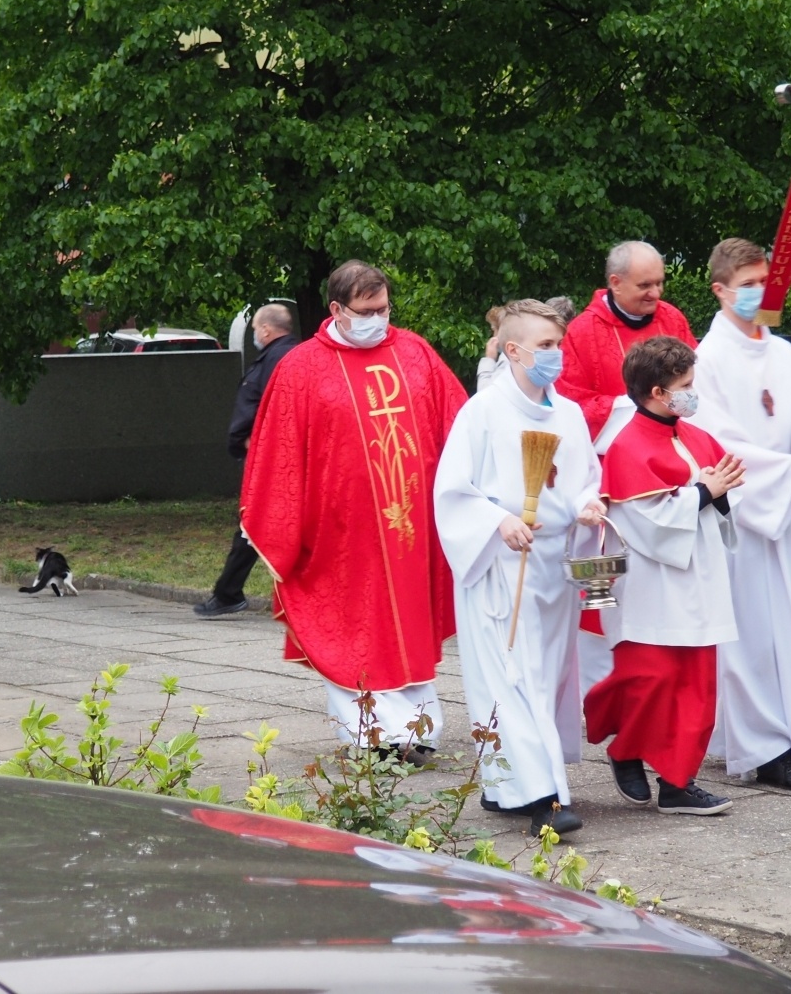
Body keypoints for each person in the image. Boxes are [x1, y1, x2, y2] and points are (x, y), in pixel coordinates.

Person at [241, 261, 470, 758]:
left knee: (406, 631)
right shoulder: (300, 367)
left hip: (410, 529)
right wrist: (284, 528)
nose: (378, 319)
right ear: (336, 310)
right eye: (366, 311)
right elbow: (279, 452)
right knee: (354, 635)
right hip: (341, 536)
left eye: (383, 309)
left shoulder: (416, 353)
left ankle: (417, 733)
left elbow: (458, 424)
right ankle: (371, 738)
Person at [434, 300, 605, 838]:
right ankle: (543, 797)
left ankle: (503, 782)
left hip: (553, 564)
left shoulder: (569, 415)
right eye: (546, 347)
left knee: (548, 678)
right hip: (502, 565)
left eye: (559, 346)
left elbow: (584, 479)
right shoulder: (482, 412)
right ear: (513, 350)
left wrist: (589, 504)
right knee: (513, 679)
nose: (556, 356)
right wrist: (497, 519)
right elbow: (451, 491)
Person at [689, 239, 791, 791]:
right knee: (752, 633)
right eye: (746, 283)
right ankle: (767, 750)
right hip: (745, 514)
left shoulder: (781, 354)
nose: (756, 292)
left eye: (763, 282)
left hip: (790, 509)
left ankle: (766, 731)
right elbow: (718, 442)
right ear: (721, 289)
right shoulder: (707, 360)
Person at [585, 336, 743, 817]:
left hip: (701, 577)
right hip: (653, 584)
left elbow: (719, 493)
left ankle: (678, 783)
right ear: (658, 392)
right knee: (647, 678)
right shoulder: (628, 446)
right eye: (686, 386)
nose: (693, 394)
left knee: (696, 686)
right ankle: (625, 748)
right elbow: (647, 523)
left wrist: (719, 491)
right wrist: (703, 491)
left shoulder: (694, 435)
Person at [196, 304, 300, 617]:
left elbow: (277, 408)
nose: (256, 334)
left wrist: (261, 444)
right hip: (271, 456)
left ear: (266, 330)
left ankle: (228, 592)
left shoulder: (278, 359)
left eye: (256, 329)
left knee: (254, 523)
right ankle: (228, 591)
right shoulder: (286, 356)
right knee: (254, 524)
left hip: (273, 460)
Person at [556, 241, 697, 450]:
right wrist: (636, 407)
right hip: (620, 452)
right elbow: (570, 405)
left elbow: (695, 381)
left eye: (659, 283)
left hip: (678, 443)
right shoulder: (580, 333)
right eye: (645, 285)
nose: (656, 294)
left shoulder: (672, 319)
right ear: (616, 283)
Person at [475, 306, 510, 393]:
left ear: (502, 330)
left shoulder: (507, 358)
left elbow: (485, 392)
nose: (494, 335)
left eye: (494, 330)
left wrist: (489, 359)